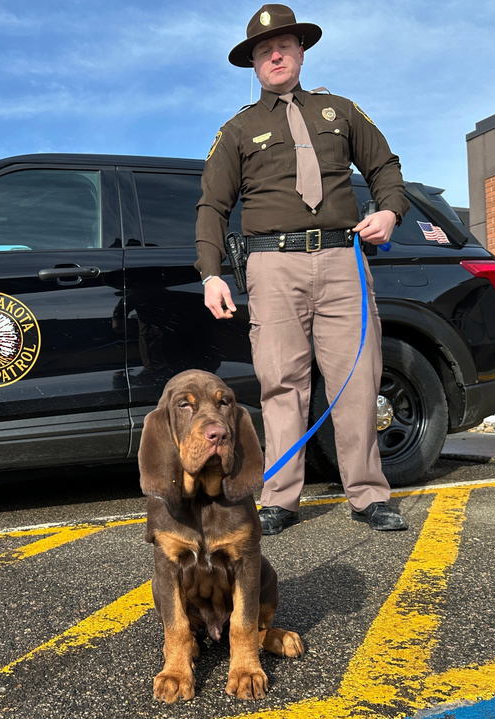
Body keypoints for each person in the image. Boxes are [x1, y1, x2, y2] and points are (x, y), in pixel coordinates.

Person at [195, 4, 409, 534]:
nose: (275, 55)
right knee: (280, 384)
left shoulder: (340, 111)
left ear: (300, 52)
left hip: (343, 260)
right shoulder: (238, 129)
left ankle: (367, 494)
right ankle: (281, 499)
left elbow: (384, 165)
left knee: (357, 381)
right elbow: (212, 207)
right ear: (253, 63)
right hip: (272, 265)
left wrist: (389, 209)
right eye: (264, 51)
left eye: (284, 46)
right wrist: (211, 272)